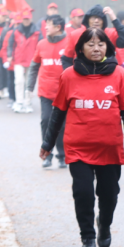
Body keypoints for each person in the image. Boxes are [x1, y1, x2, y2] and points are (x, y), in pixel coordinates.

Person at [40, 28, 124, 247]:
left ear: (108, 47)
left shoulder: (119, 74)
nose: (96, 48)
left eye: (101, 44)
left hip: (109, 148)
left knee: (109, 194)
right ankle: (87, 237)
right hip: (78, 148)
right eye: (91, 44)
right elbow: (57, 114)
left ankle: (103, 225)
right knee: (82, 193)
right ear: (81, 48)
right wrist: (47, 144)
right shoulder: (68, 76)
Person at [27, 15, 69, 169]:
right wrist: (29, 88)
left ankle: (62, 155)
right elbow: (34, 67)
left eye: (48, 25)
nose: (45, 28)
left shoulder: (69, 44)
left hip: (64, 93)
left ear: (58, 27)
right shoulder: (41, 44)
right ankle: (47, 155)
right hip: (45, 92)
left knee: (62, 125)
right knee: (46, 121)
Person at [61, 5, 124, 69]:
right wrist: (71, 77)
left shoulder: (110, 33)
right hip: (83, 76)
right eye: (93, 18)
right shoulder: (75, 34)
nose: (96, 21)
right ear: (87, 20)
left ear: (103, 21)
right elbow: (66, 59)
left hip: (108, 75)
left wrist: (114, 19)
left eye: (100, 18)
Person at [7, 8, 40, 113]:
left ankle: (27, 102)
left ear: (31, 18)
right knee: (19, 81)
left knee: (29, 83)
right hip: (19, 59)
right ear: (21, 19)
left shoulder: (37, 31)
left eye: (28, 18)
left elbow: (41, 44)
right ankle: (19, 102)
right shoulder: (16, 31)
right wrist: (9, 55)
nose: (26, 20)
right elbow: (10, 44)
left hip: (32, 60)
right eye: (24, 18)